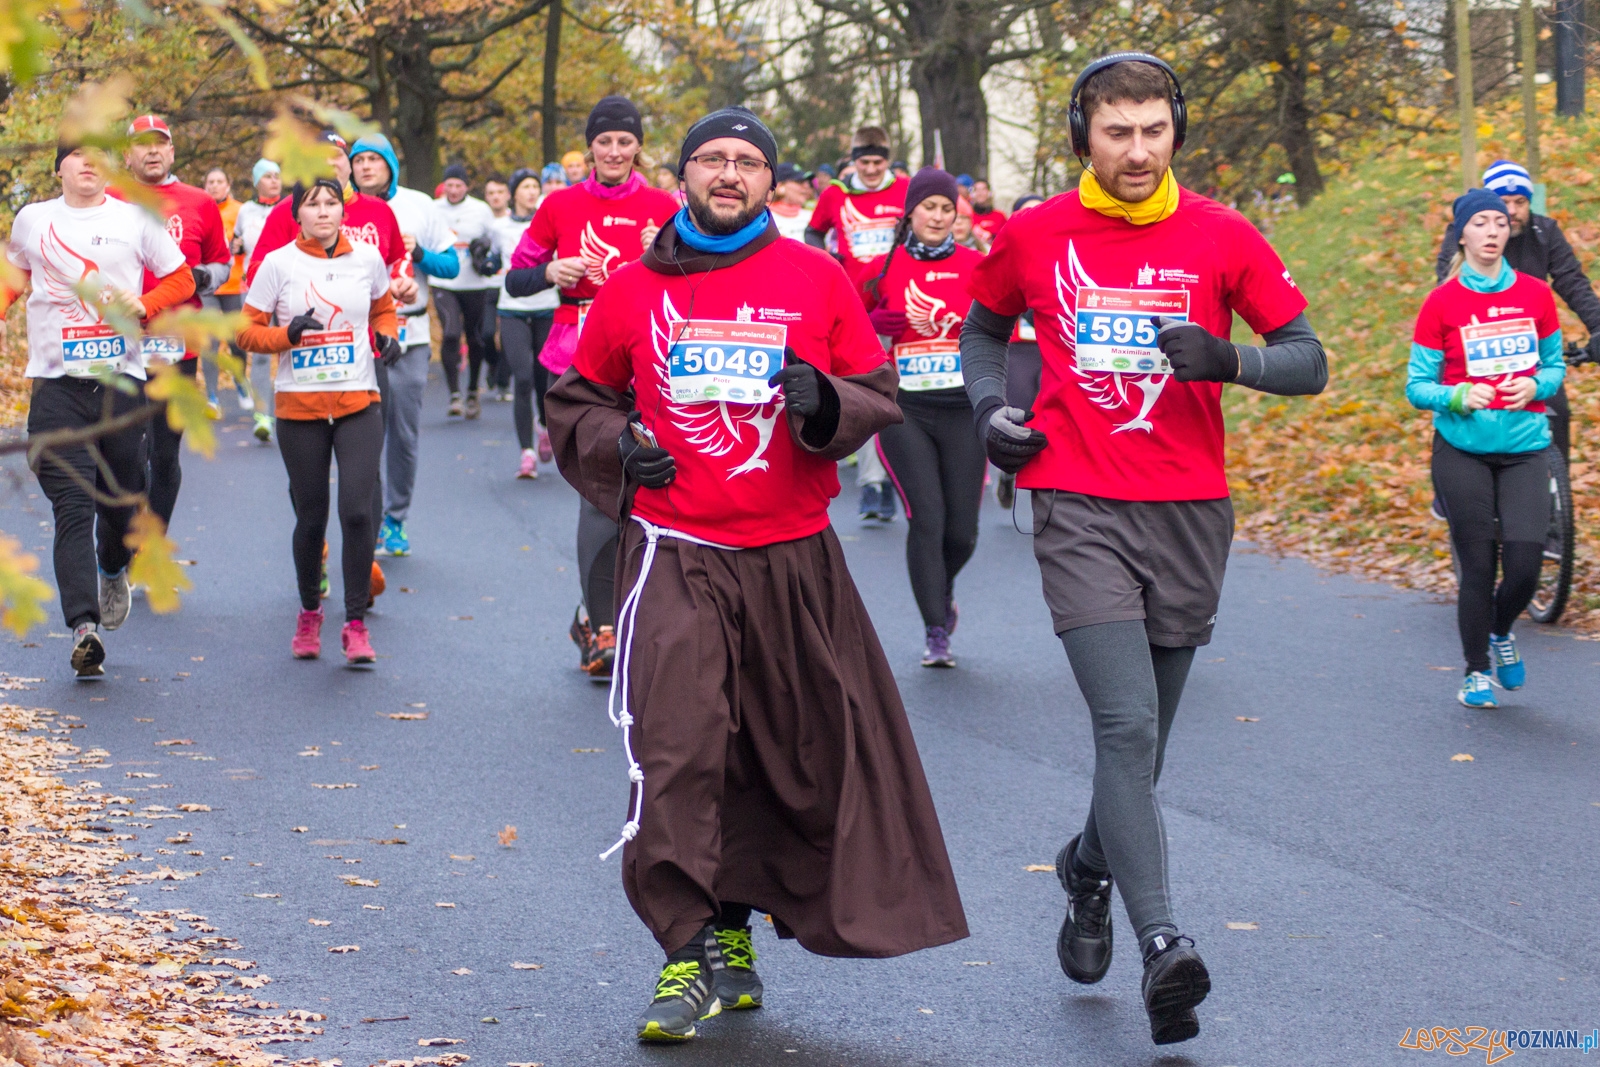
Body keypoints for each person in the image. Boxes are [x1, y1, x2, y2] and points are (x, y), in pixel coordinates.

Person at [545, 104, 967, 1044]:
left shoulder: (814, 279)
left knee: (792, 752)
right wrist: (623, 442)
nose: (727, 174)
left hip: (790, 558)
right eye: (711, 160)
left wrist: (826, 405)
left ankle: (738, 920)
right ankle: (688, 947)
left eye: (746, 162)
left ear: (768, 182)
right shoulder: (632, 289)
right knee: (680, 745)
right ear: (684, 174)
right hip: (674, 553)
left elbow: (874, 391)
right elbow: (578, 399)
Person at [959, 53, 1327, 1045]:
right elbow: (982, 331)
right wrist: (993, 408)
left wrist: (1230, 359)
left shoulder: (1220, 233)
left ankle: (1085, 867)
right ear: (1084, 134)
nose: (1135, 149)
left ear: (1175, 132)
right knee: (1123, 729)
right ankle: (1163, 939)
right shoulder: (1033, 233)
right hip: (1076, 502)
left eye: (1152, 129)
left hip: (1189, 510)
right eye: (1116, 130)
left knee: (1144, 748)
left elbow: (1308, 358)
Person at [504, 95, 679, 679]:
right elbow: (517, 277)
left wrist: (668, 250)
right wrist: (551, 272)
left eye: (624, 141)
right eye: (603, 141)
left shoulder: (663, 206)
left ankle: (613, 611)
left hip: (650, 361)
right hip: (575, 360)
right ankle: (603, 625)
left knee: (651, 493)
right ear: (589, 148)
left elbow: (702, 281)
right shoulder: (560, 205)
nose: (613, 151)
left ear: (637, 147)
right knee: (599, 489)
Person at [4, 143, 193, 676]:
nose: (90, 163)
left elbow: (181, 278)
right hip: (57, 387)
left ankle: (114, 567)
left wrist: (147, 304)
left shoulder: (135, 219)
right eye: (78, 155)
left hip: (120, 384)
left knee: (119, 499)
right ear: (59, 167)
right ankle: (83, 629)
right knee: (73, 504)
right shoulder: (33, 219)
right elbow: (13, 277)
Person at [1410, 189, 1565, 707]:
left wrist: (1537, 387)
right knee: (1479, 566)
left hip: (1524, 446)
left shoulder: (1535, 295)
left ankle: (1500, 631)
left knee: (1524, 568)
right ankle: (1475, 671)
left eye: (1501, 221)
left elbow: (1554, 366)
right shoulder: (1442, 303)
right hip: (1462, 450)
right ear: (1463, 234)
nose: (1494, 230)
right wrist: (1457, 394)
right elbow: (1417, 386)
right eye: (1482, 221)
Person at [237, 178, 403, 665]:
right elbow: (246, 332)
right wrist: (286, 334)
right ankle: (310, 611)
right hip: (300, 407)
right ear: (298, 214)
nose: (325, 212)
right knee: (311, 517)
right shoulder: (278, 264)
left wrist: (386, 337)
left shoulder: (367, 259)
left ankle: (354, 624)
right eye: (314, 205)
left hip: (358, 401)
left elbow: (384, 307)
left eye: (333, 202)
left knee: (356, 510)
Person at [858, 168, 985, 667]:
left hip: (964, 411)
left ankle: (941, 587)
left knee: (963, 533)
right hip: (905, 411)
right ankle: (936, 628)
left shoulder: (978, 265)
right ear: (909, 212)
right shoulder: (878, 268)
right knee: (926, 520)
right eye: (928, 207)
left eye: (946, 209)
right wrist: (872, 324)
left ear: (956, 216)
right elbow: (840, 328)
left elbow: (1003, 325)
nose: (937, 216)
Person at [1433, 160, 1600, 469]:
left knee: (1557, 412)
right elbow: (1446, 284)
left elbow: (1572, 281)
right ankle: (1454, 482)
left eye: (1520, 202)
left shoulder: (1544, 232)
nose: (1512, 210)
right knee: (1465, 414)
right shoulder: (1465, 233)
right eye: (1504, 203)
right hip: (1474, 345)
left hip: (1530, 348)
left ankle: (1557, 500)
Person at [113, 114, 230, 534]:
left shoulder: (199, 201)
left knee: (164, 453)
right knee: (127, 451)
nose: (152, 151)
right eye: (142, 144)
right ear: (128, 156)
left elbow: (222, 263)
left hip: (177, 345)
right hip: (118, 343)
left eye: (159, 143)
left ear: (172, 151)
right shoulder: (109, 199)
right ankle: (122, 541)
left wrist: (204, 278)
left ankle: (153, 548)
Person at [349, 133, 460, 558]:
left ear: (390, 167)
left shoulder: (418, 205)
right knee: (360, 433)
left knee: (403, 432)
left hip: (409, 335)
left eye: (375, 160)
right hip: (356, 336)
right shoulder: (338, 209)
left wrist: (421, 255)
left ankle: (395, 518)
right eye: (360, 161)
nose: (366, 167)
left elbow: (451, 265)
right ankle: (367, 516)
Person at [806, 127, 910, 523]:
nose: (870, 170)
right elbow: (814, 230)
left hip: (896, 305)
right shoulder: (836, 195)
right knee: (868, 395)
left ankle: (894, 479)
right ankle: (872, 485)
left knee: (899, 397)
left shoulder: (904, 191)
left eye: (877, 163)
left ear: (887, 159)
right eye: (863, 162)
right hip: (853, 307)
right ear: (854, 159)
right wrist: (827, 262)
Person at [490, 167, 558, 478]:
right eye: (525, 186)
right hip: (512, 309)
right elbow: (489, 261)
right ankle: (526, 453)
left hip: (547, 307)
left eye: (535, 186)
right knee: (523, 378)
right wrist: (486, 261)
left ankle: (544, 426)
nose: (531, 192)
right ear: (513, 192)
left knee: (545, 381)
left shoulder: (552, 220)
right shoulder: (499, 227)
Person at [433, 164, 501, 418]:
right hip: (444, 282)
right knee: (450, 334)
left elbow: (495, 242)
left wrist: (482, 252)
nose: (453, 190)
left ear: (467, 187)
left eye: (458, 185)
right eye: (449, 185)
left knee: (475, 338)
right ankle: (454, 394)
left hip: (474, 284)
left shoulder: (480, 210)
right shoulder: (433, 207)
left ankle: (472, 391)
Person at [994, 192, 1048, 509]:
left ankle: (1052, 485)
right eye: (1026, 213)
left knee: (1052, 417)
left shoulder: (1067, 251)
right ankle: (1008, 471)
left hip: (1056, 349)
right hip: (1019, 348)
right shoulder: (1006, 253)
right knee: (1022, 414)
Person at [234, 158, 282, 441]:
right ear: (256, 181)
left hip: (288, 287)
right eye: (268, 176)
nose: (274, 180)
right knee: (261, 354)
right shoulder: (245, 212)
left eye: (277, 175)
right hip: (254, 290)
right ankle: (263, 415)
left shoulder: (292, 207)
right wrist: (235, 246)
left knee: (292, 346)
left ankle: (296, 409)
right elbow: (237, 243)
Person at [201, 167, 252, 415]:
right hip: (207, 285)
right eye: (210, 181)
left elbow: (249, 241)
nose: (214, 185)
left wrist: (240, 247)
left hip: (233, 284)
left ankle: (241, 383)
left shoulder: (240, 210)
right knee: (209, 342)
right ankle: (212, 396)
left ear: (228, 185)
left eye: (219, 181)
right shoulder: (199, 208)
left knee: (236, 341)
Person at [769, 162, 813, 241]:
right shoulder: (765, 219)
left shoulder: (812, 217)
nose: (806, 186)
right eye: (799, 181)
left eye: (807, 182)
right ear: (780, 187)